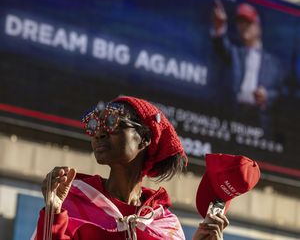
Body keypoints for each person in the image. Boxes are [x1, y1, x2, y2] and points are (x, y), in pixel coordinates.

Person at [32, 95, 229, 240]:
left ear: (144, 139)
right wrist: (53, 212)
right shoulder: (70, 202)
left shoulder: (166, 225)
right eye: (94, 124)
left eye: (112, 122)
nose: (99, 133)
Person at [211, 0, 283, 136]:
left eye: (248, 23)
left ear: (258, 27)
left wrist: (266, 96)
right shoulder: (234, 53)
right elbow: (220, 46)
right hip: (233, 116)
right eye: (240, 23)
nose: (243, 26)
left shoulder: (274, 64)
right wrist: (219, 27)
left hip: (260, 122)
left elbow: (281, 93)